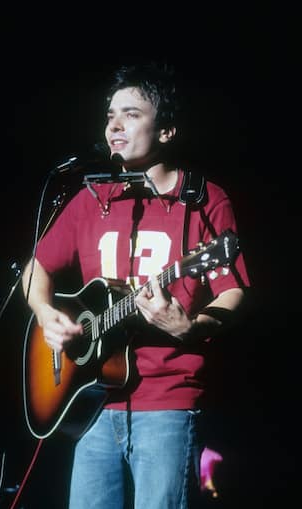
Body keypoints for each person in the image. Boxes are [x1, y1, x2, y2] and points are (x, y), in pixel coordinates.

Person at [21, 61, 250, 509]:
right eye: (110, 115)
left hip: (167, 402)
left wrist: (192, 326)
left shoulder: (203, 200)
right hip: (90, 405)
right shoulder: (94, 198)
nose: (115, 125)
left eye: (131, 114)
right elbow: (35, 270)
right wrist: (48, 316)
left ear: (166, 131)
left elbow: (235, 290)